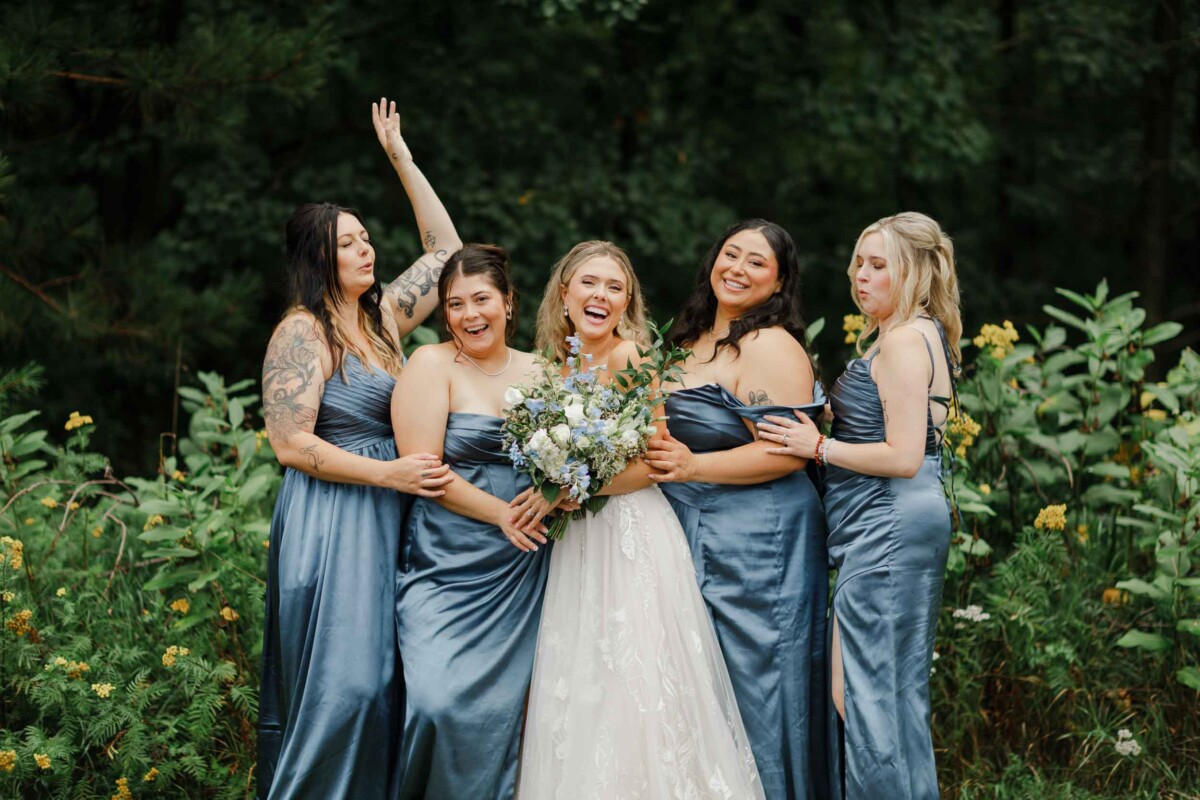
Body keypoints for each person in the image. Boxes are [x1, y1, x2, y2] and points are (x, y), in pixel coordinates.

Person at [257, 99, 459, 799]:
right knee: (342, 691)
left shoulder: (384, 321)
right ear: (317, 256)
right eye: (348, 242)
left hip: (389, 509)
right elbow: (291, 446)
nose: (367, 249)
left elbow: (445, 255)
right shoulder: (303, 332)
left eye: (368, 237)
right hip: (333, 517)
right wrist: (390, 473)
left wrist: (401, 157)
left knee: (385, 687)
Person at [513, 241, 765, 799]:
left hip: (630, 532)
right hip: (579, 537)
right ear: (564, 292)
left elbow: (654, 463)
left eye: (615, 288)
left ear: (627, 304)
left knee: (638, 675)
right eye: (589, 283)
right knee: (583, 674)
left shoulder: (631, 359)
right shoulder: (552, 367)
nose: (600, 295)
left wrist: (572, 488)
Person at [757, 211, 961, 800]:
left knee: (870, 696)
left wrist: (816, 445)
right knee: (882, 693)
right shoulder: (918, 333)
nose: (861, 276)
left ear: (915, 272)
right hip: (896, 520)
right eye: (860, 263)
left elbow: (902, 455)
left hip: (889, 523)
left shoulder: (900, 343)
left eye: (879, 265)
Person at [645, 219, 829, 799]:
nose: (738, 269)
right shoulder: (683, 341)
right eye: (731, 254)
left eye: (757, 263)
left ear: (777, 286)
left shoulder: (769, 345)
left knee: (757, 682)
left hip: (761, 540)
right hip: (692, 532)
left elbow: (786, 454)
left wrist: (694, 467)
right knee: (702, 685)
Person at [391, 244, 558, 799]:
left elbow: (574, 462)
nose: (469, 314)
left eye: (481, 299)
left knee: (519, 712)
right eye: (455, 304)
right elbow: (423, 469)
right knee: (437, 701)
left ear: (509, 303)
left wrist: (556, 496)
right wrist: (502, 514)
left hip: (526, 567)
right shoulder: (431, 364)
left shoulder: (545, 371)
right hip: (447, 562)